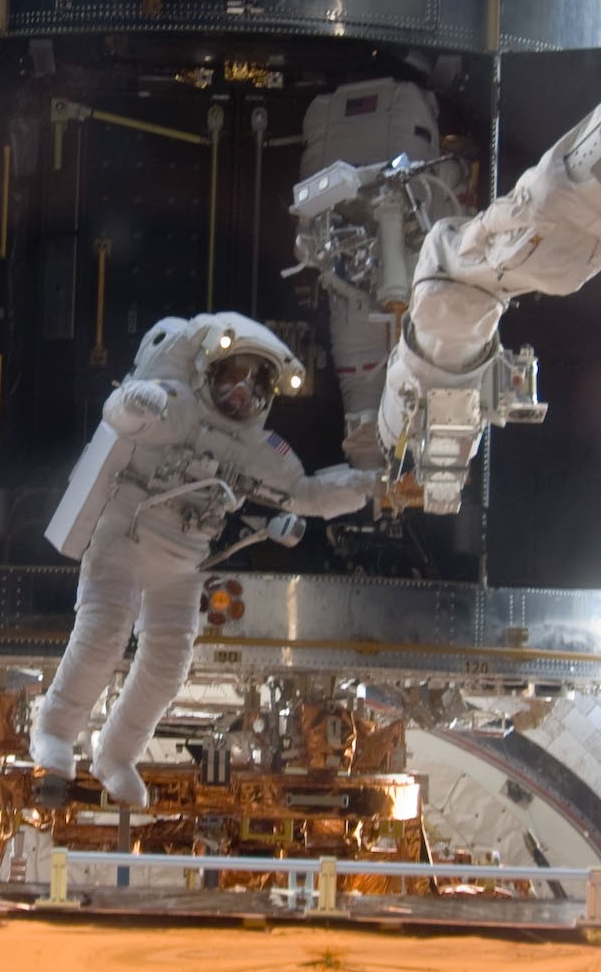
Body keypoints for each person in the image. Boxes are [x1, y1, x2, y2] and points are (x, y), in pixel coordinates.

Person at [30, 312, 374, 806]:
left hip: (183, 564)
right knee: (102, 639)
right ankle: (56, 735)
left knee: (168, 665)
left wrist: (363, 487)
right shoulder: (177, 405)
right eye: (235, 377)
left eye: (257, 386)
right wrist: (135, 401)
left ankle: (116, 754)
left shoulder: (260, 447)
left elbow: (303, 493)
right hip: (124, 540)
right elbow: (119, 415)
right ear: (210, 369)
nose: (243, 394)